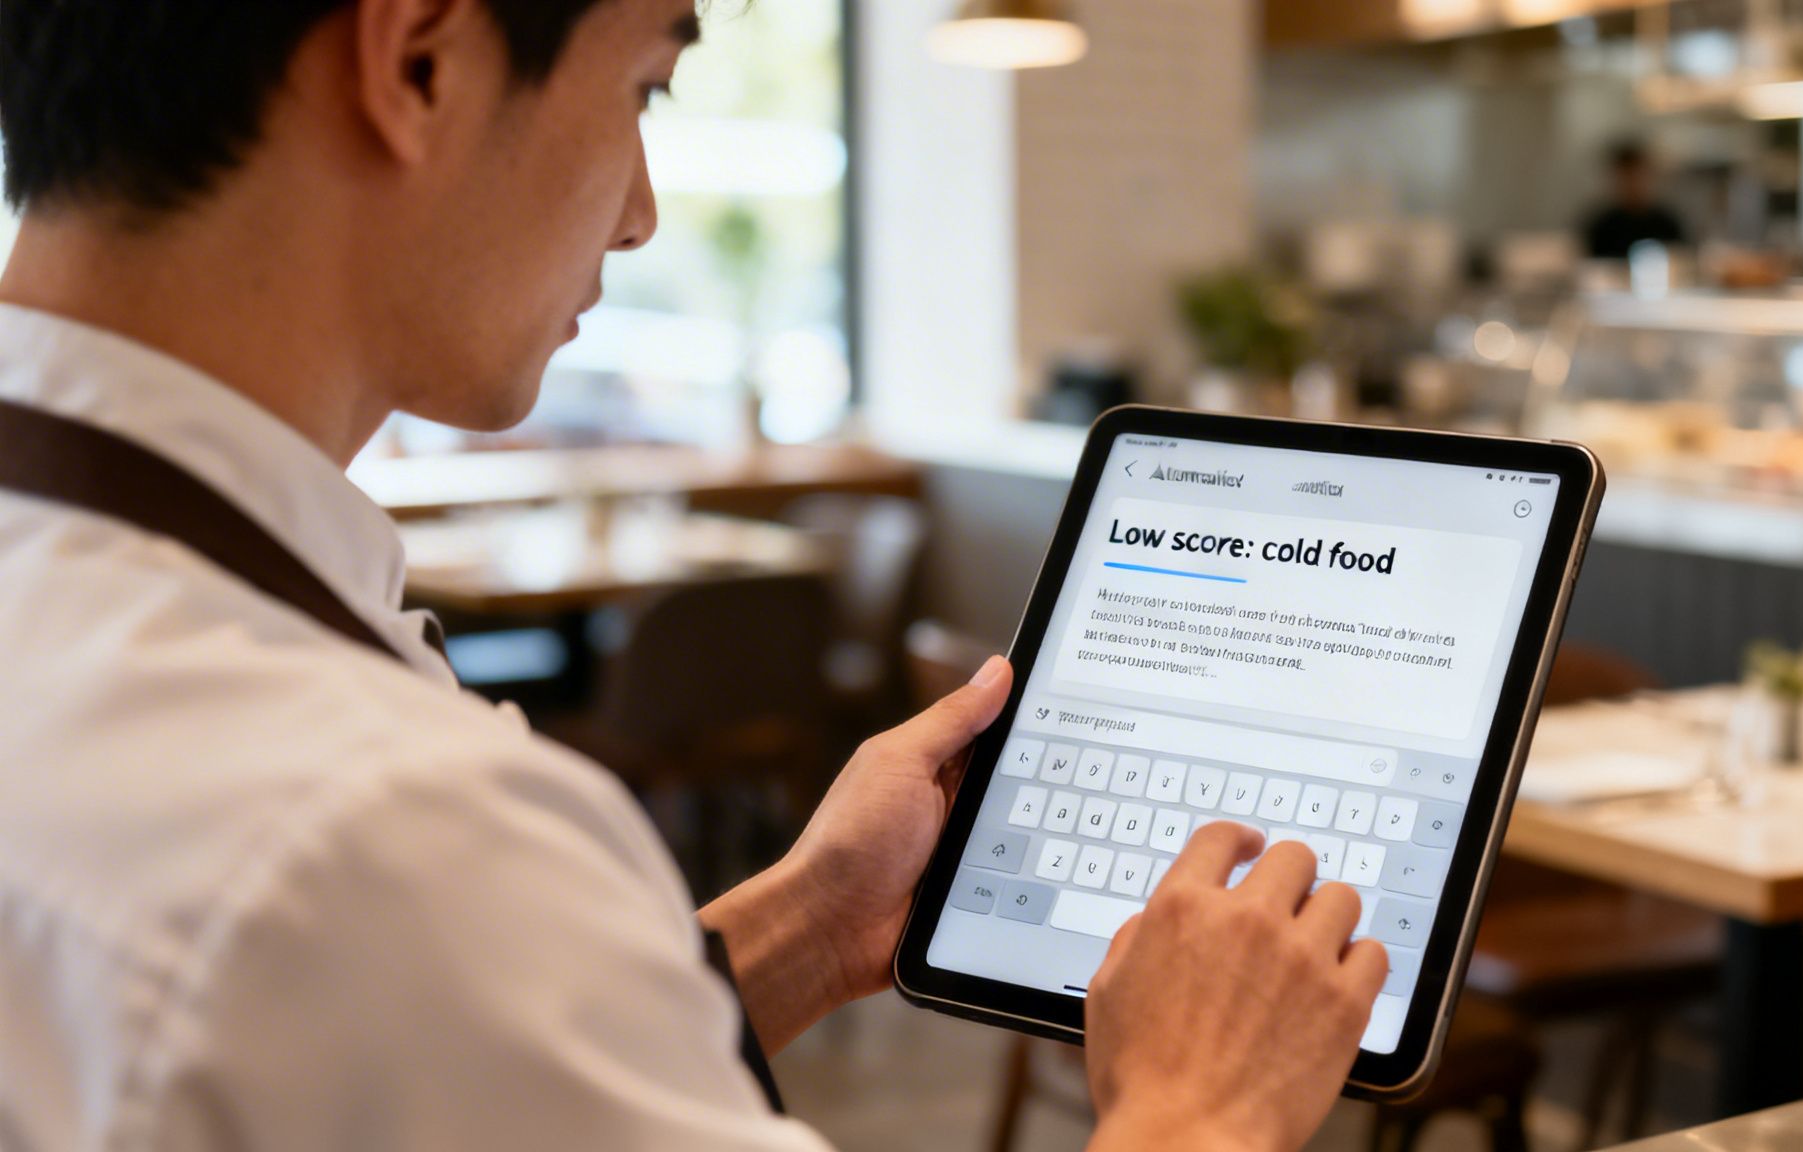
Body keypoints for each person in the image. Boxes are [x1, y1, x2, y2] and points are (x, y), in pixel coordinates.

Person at [0, 3, 1389, 1151]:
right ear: (417, 60)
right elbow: (408, 948)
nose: (642, 216)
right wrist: (1200, 1112)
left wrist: (807, 919)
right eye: (647, 91)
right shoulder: (381, 839)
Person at [1581, 140, 1687, 262]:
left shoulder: (1667, 222)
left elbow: (1682, 259)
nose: (1634, 183)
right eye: (1627, 176)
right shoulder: (1602, 224)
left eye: (1639, 175)